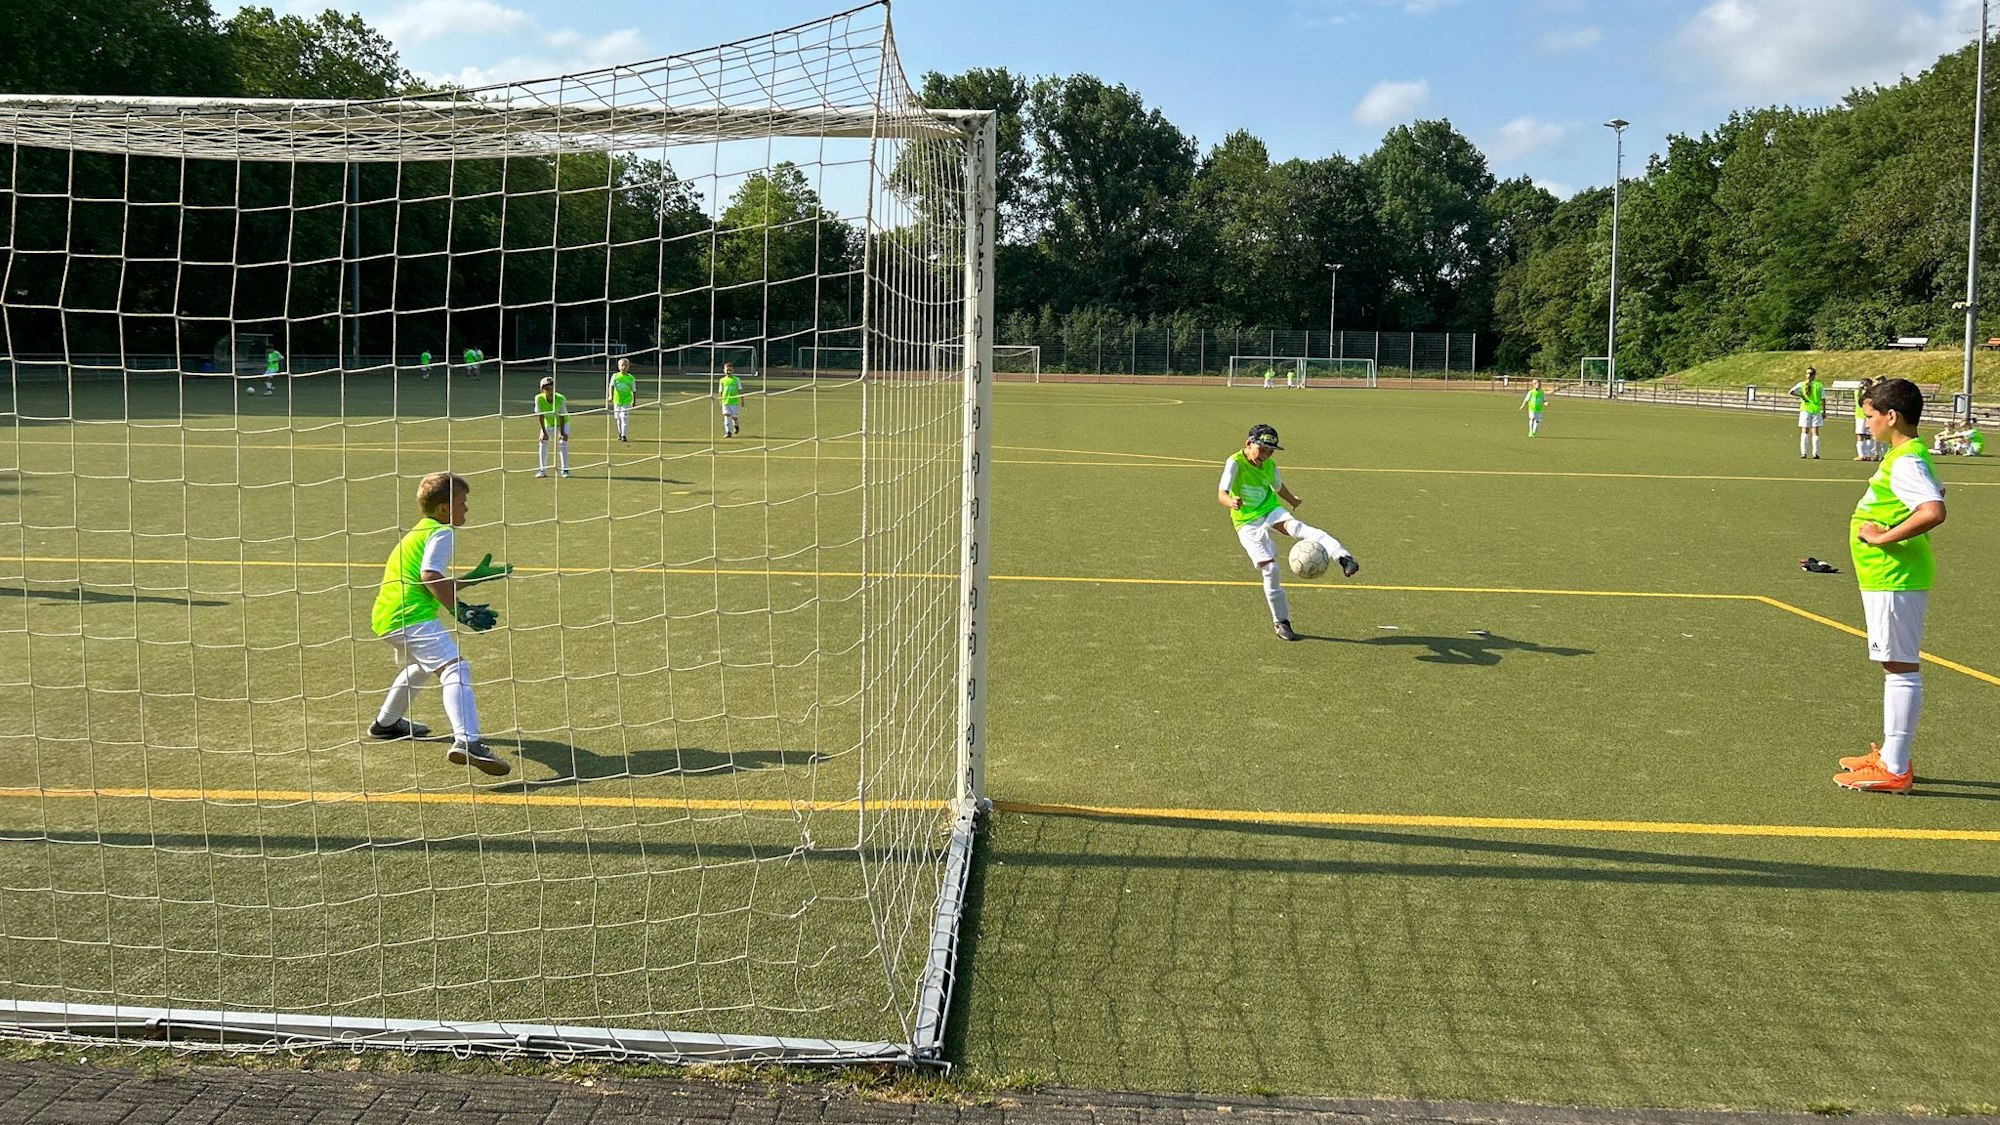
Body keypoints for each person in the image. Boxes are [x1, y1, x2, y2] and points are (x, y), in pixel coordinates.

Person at [1834, 378, 1947, 794]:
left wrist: (1883, 537)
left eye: (1870, 416)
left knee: (1899, 667)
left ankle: (1895, 767)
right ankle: (1890, 755)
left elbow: (1933, 510)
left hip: (1895, 577)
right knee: (1894, 665)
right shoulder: (1904, 455)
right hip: (1887, 577)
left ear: (1891, 416)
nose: (1867, 425)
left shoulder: (1906, 460)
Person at [369, 471, 513, 776]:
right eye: (462, 502)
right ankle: (468, 742)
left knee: (422, 667)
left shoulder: (417, 532)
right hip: (411, 616)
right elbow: (430, 576)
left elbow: (429, 581)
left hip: (388, 616)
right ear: (444, 509)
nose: (466, 509)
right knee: (455, 668)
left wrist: (469, 581)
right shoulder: (441, 532)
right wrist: (461, 611)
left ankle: (386, 722)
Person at [1218, 423, 1360, 642]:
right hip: (1246, 522)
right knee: (1271, 570)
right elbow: (1221, 493)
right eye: (1262, 449)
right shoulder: (1234, 462)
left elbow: (1277, 486)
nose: (1265, 455)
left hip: (1269, 509)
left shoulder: (1269, 465)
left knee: (1300, 529)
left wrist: (1292, 500)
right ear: (1248, 444)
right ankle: (1281, 621)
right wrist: (1231, 502)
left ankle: (1343, 557)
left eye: (1270, 451)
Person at [535, 375, 571, 477]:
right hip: (549, 423)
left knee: (563, 442)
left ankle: (565, 469)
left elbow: (562, 416)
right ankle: (542, 469)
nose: (550, 391)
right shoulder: (538, 399)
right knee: (543, 442)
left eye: (552, 388)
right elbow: (540, 416)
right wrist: (544, 432)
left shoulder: (560, 398)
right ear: (542, 390)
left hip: (562, 422)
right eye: (547, 389)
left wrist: (563, 432)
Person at [1788, 365, 1825, 459]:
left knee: (1805, 431)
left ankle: (1803, 453)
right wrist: (1824, 411)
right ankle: (1815, 453)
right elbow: (1823, 399)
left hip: (1805, 409)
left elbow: (1791, 392)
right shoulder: (1819, 385)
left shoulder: (1801, 384)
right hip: (1816, 410)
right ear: (1814, 375)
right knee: (1815, 432)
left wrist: (1801, 396)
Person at [608, 357, 636, 442]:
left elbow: (634, 390)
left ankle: (624, 435)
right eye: (622, 365)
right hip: (617, 401)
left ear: (628, 367)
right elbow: (611, 386)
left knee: (624, 417)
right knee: (617, 418)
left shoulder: (631, 378)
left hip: (626, 401)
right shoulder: (615, 376)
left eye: (626, 365)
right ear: (618, 366)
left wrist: (634, 401)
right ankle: (620, 433)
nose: (624, 367)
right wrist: (610, 395)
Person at [1851, 376, 1876, 460]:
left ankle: (1861, 455)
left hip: (1860, 416)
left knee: (1860, 435)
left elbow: (1858, 401)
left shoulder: (1859, 392)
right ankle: (1868, 455)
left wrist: (1860, 388)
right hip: (1868, 416)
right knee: (1868, 436)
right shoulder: (1872, 394)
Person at [717, 362, 743, 438]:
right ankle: (728, 432)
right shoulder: (722, 380)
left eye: (730, 370)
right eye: (727, 370)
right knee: (726, 416)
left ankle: (736, 425)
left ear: (733, 370)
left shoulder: (736, 379)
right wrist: (720, 400)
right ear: (724, 370)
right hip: (725, 401)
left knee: (734, 417)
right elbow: (720, 391)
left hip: (734, 402)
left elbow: (740, 390)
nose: (728, 372)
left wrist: (742, 400)